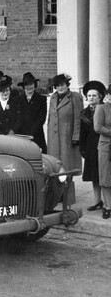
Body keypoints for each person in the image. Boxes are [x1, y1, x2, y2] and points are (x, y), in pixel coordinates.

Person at [47, 73, 84, 172]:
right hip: (54, 138)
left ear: (67, 85)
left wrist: (76, 136)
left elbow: (78, 118)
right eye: (58, 86)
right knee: (54, 165)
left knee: (68, 165)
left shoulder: (75, 97)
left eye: (62, 85)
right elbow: (51, 117)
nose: (60, 87)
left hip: (67, 136)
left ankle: (68, 184)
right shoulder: (53, 97)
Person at [80, 81, 105, 213]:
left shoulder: (107, 110)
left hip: (105, 146)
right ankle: (97, 200)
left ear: (100, 97)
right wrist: (82, 148)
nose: (91, 98)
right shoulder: (84, 113)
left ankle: (108, 202)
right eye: (89, 96)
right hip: (90, 147)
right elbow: (82, 133)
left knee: (105, 175)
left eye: (94, 96)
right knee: (94, 175)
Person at [17, 72, 47, 153]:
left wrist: (32, 131)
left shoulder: (41, 99)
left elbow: (42, 118)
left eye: (31, 84)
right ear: (23, 86)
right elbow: (17, 117)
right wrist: (25, 132)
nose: (29, 87)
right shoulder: (18, 99)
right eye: (26, 85)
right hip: (22, 134)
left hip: (37, 134)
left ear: (35, 85)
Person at [93, 86, 111, 219]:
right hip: (106, 147)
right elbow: (97, 127)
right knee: (105, 177)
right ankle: (107, 206)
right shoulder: (102, 108)